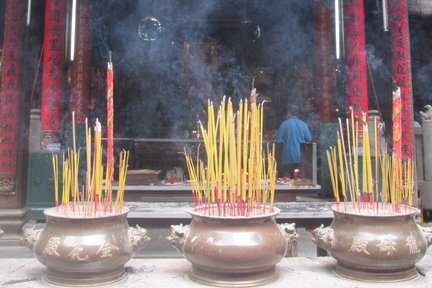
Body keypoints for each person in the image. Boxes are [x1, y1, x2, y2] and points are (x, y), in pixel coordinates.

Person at [275, 105, 312, 178]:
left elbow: (277, 139)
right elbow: (309, 139)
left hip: (287, 158)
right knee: (298, 180)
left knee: (287, 181)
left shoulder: (284, 124)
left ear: (288, 113)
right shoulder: (303, 124)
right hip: (300, 157)